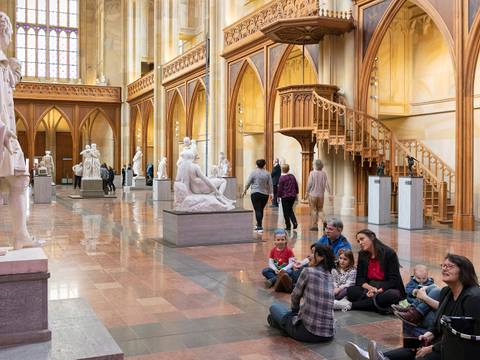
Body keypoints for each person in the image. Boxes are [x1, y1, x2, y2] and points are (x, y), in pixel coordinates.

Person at [344, 254, 480, 360]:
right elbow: (441, 322)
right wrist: (430, 334)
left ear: (463, 271)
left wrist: (433, 348)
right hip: (447, 342)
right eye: (443, 265)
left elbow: (465, 339)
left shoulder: (473, 298)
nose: (444, 268)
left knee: (421, 355)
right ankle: (378, 357)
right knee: (412, 345)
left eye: (449, 266)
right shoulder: (447, 292)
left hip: (461, 350)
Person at [267, 244, 336, 343]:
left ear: (320, 257)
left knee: (274, 308)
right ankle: (284, 325)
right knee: (282, 316)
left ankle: (283, 326)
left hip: (308, 332)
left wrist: (294, 311)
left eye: (313, 253)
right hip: (329, 334)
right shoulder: (330, 274)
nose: (309, 256)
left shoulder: (308, 271)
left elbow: (295, 296)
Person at [345, 229, 405, 313]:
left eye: (362, 239)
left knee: (393, 295)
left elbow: (393, 280)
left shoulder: (389, 253)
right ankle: (376, 305)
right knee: (351, 291)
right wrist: (370, 288)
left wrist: (377, 290)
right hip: (370, 287)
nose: (360, 243)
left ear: (372, 237)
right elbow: (360, 279)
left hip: (385, 288)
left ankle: (353, 305)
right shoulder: (362, 254)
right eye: (358, 241)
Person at [242, 159, 273, 233]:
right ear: (264, 165)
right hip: (264, 194)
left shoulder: (253, 173)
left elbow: (248, 182)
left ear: (256, 165)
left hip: (255, 193)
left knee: (257, 209)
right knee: (260, 209)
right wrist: (271, 193)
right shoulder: (267, 173)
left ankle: (259, 227)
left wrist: (245, 190)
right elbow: (270, 184)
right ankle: (259, 224)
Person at [306, 159, 332, 231]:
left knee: (314, 210)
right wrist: (330, 193)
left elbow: (309, 184)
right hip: (321, 195)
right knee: (320, 210)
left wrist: (307, 192)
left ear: (314, 165)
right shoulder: (323, 173)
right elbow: (327, 184)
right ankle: (325, 222)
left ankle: (314, 226)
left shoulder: (312, 173)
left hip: (313, 195)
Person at [277, 164, 299, 231]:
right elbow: (296, 185)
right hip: (292, 196)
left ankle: (288, 226)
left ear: (282, 169)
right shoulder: (292, 176)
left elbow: (280, 188)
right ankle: (294, 222)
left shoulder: (281, 178)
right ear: (288, 169)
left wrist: (278, 196)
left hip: (285, 197)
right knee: (290, 209)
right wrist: (296, 193)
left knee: (286, 212)